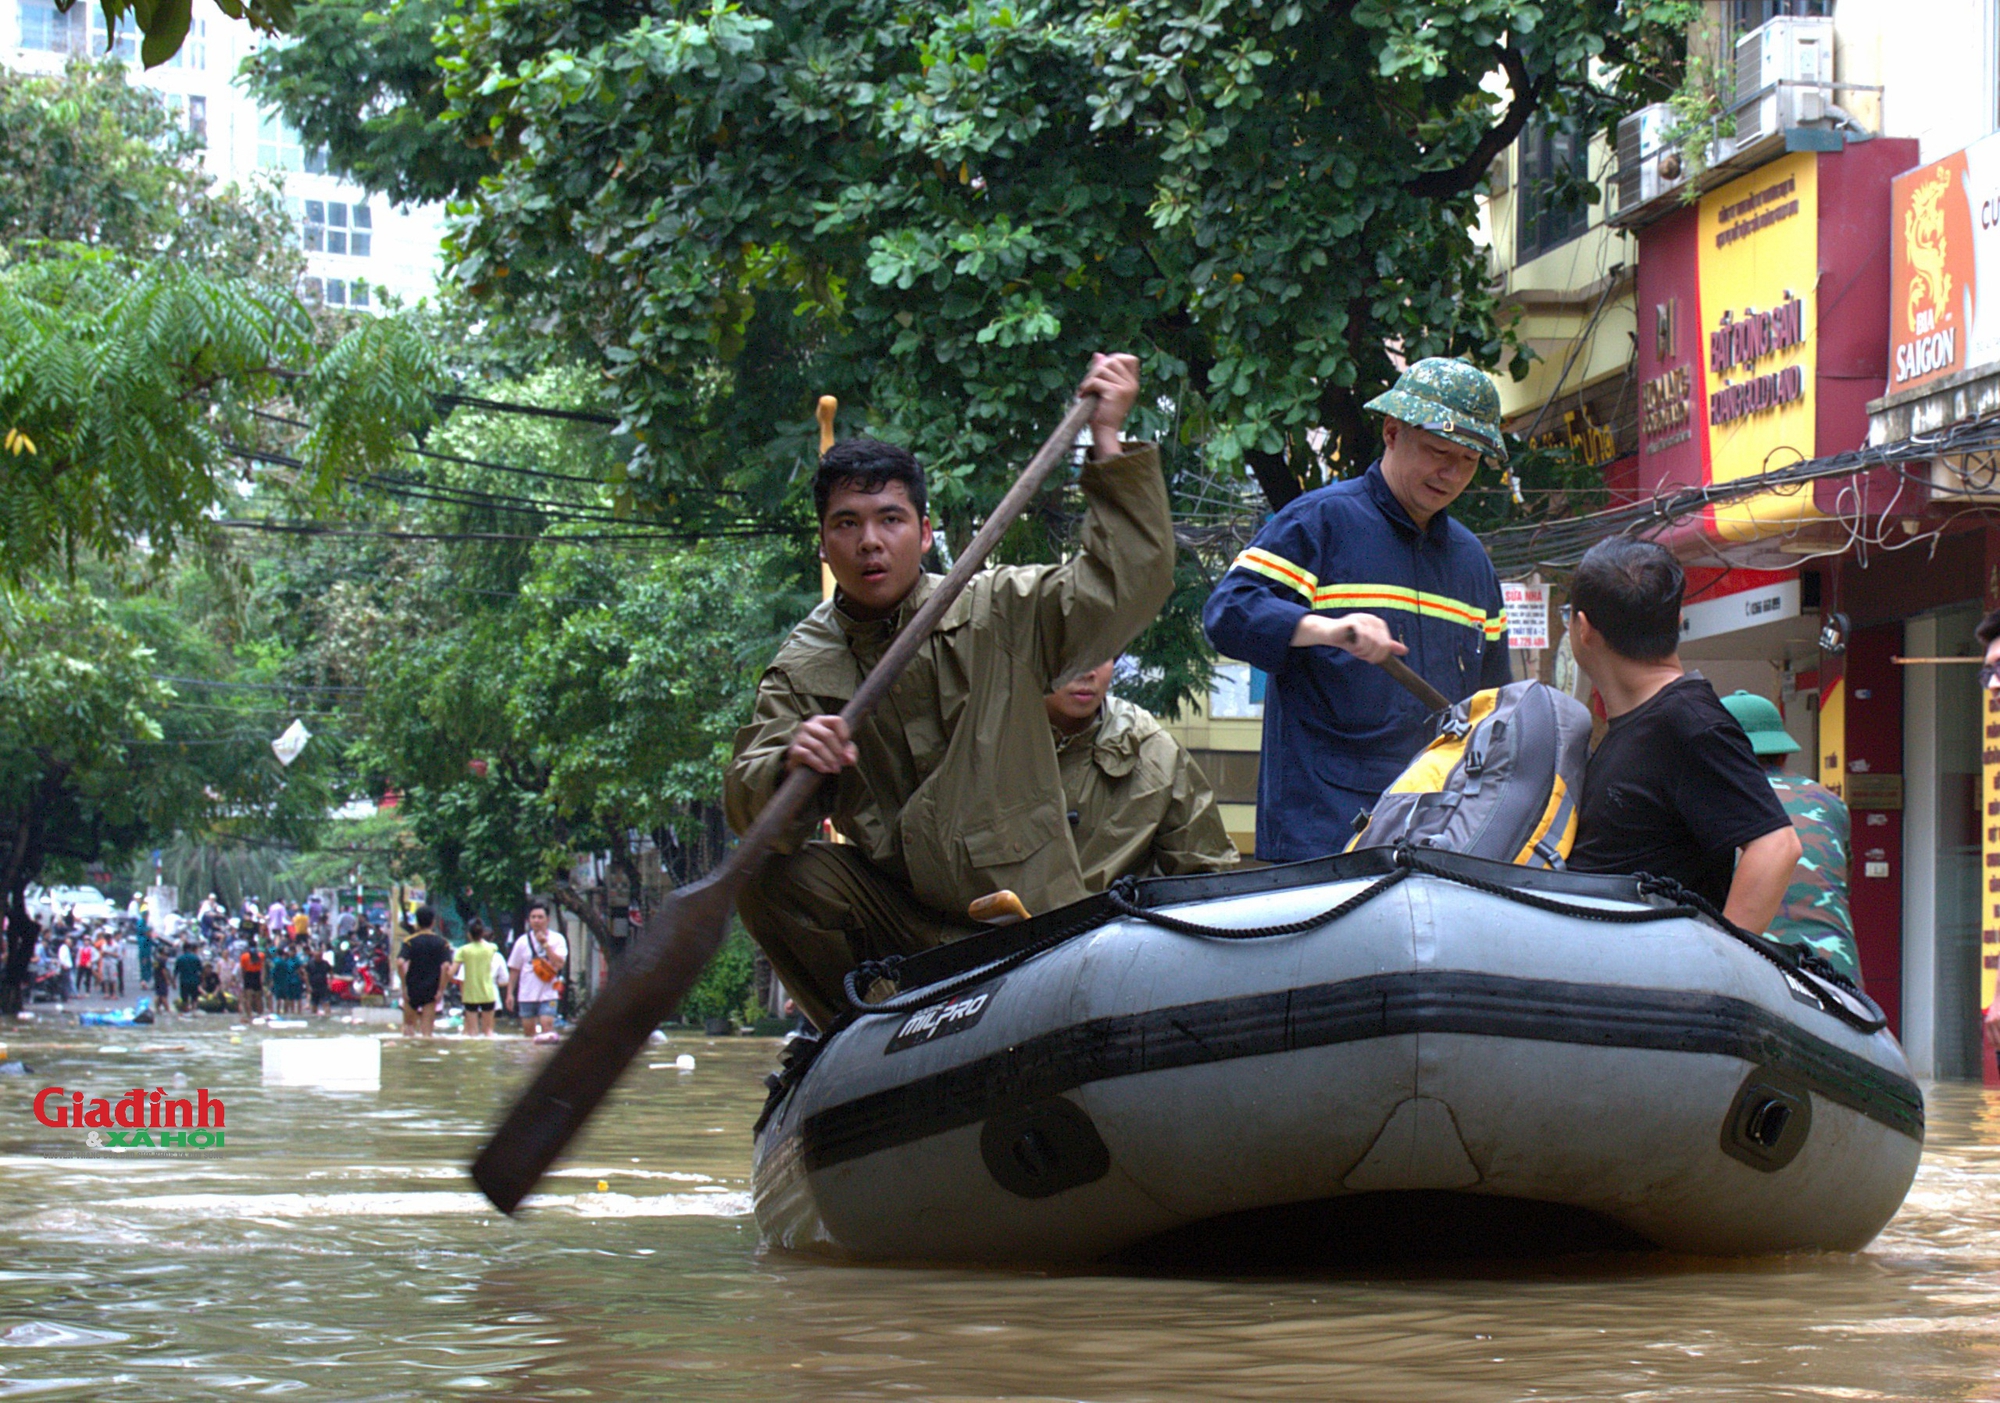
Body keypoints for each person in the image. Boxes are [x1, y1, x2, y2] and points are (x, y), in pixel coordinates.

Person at [725, 354, 1174, 1029]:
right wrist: (792, 757)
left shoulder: (1000, 607)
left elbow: (1127, 586)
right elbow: (751, 809)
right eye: (847, 524)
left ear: (926, 533)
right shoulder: (803, 666)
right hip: (901, 930)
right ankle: (854, 1039)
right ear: (823, 545)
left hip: (1030, 918)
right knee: (765, 875)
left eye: (890, 519)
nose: (870, 542)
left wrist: (1108, 439)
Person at [1202, 358, 1513, 860]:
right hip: (1323, 840)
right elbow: (1228, 612)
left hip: (1436, 841)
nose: (1451, 473)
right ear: (1391, 433)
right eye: (1438, 451)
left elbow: (1495, 703)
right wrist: (1324, 629)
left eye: (1468, 460)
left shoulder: (1473, 563)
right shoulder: (1318, 523)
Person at [1562, 538, 1800, 931]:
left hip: (1661, 984)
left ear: (1583, 628)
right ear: (1677, 621)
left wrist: (1721, 970)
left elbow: (1775, 847)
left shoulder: (1689, 723)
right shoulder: (1648, 723)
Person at [1043, 661, 1239, 889]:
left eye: (1102, 655)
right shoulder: (994, 739)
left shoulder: (1153, 750)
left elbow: (1207, 876)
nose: (1087, 672)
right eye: (1073, 654)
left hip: (1115, 920)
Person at [1717, 690, 1862, 985]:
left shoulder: (1710, 800)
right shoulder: (1829, 802)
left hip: (1755, 972)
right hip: (1837, 972)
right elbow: (1843, 881)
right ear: (1783, 752)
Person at [506, 902, 567, 1038]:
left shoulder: (557, 939)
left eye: (540, 917)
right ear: (529, 920)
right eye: (533, 917)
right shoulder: (522, 941)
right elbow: (515, 969)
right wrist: (510, 993)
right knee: (529, 1033)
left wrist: (545, 944)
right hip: (526, 994)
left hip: (549, 992)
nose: (536, 921)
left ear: (547, 920)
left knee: (547, 1027)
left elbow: (560, 963)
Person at [398, 906, 455, 1037]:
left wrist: (404, 985)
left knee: (408, 1027)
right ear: (433, 922)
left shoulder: (409, 942)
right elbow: (446, 967)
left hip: (412, 987)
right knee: (427, 1031)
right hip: (432, 988)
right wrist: (441, 990)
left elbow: (400, 962)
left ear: (417, 922)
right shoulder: (442, 943)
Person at [454, 919, 501, 1037]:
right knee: (488, 1031)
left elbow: (452, 972)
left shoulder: (463, 950)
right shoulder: (492, 948)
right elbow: (490, 946)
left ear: (469, 934)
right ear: (482, 933)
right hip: (488, 994)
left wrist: (447, 977)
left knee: (472, 1032)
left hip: (470, 995)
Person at [238, 939, 266, 1022]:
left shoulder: (244, 956)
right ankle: (260, 1014)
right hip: (256, 975)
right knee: (258, 997)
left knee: (248, 997)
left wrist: (243, 979)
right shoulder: (261, 955)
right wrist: (262, 978)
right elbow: (263, 969)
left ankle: (249, 1015)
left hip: (248, 976)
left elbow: (243, 970)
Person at [173, 942, 204, 1014]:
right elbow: (201, 971)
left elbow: (176, 972)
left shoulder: (180, 959)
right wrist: (202, 981)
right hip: (194, 981)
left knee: (184, 999)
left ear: (183, 949)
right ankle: (194, 1012)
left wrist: (173, 982)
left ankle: (186, 1012)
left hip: (184, 981)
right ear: (190, 949)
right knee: (194, 999)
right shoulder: (196, 958)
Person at [305, 943, 332, 1016]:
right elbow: (306, 975)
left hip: (323, 986)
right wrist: (308, 986)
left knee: (326, 1003)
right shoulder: (310, 964)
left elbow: (331, 973)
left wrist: (330, 983)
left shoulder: (325, 964)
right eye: (317, 956)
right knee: (314, 1005)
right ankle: (314, 1018)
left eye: (320, 956)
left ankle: (328, 1016)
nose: (318, 957)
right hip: (314, 987)